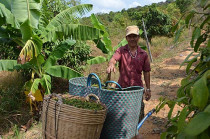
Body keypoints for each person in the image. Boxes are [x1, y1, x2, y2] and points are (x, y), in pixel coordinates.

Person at [106, 25, 151, 122]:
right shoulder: (121, 50)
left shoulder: (143, 54)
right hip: (123, 90)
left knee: (137, 117)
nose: (132, 39)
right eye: (130, 36)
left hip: (137, 90)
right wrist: (111, 65)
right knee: (121, 117)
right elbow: (113, 59)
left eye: (134, 36)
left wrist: (148, 89)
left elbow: (147, 71)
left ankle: (135, 133)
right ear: (126, 38)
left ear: (138, 37)